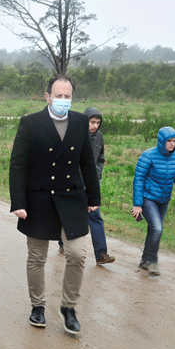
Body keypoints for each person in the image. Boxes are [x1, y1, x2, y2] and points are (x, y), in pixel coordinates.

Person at [9, 75, 100, 335]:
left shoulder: (81, 122)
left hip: (72, 198)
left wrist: (94, 197)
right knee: (37, 257)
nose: (63, 100)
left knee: (77, 254)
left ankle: (69, 308)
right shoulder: (30, 123)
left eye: (67, 96)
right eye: (58, 96)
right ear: (47, 96)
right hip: (38, 199)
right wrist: (18, 201)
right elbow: (18, 165)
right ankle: (37, 306)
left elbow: (86, 163)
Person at [58, 107, 116, 266]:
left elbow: (100, 159)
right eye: (92, 122)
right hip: (73, 183)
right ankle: (62, 242)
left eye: (98, 123)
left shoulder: (100, 138)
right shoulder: (73, 135)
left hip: (91, 184)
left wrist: (95, 175)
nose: (95, 125)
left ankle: (101, 254)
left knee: (95, 215)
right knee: (69, 214)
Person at [131, 127, 175, 277]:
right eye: (169, 141)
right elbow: (138, 180)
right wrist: (137, 204)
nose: (172, 144)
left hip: (164, 200)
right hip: (148, 198)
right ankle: (152, 260)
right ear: (162, 141)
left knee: (153, 229)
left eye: (174, 141)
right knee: (157, 228)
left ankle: (145, 260)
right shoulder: (148, 156)